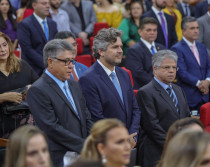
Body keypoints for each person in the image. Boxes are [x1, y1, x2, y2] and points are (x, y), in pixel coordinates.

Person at [27, 39, 93, 167]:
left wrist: (95, 141)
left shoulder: (74, 85)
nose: (71, 66)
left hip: (83, 153)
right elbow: (51, 128)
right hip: (59, 156)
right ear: (51, 62)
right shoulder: (38, 90)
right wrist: (84, 146)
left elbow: (86, 117)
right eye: (66, 61)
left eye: (72, 61)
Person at [79, 28, 140, 148]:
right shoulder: (88, 79)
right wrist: (121, 139)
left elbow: (135, 109)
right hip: (108, 144)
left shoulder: (124, 74)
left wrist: (132, 136)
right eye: (115, 47)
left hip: (130, 142)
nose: (120, 51)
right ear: (101, 51)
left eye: (121, 46)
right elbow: (96, 118)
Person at [136, 50, 190, 167]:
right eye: (166, 67)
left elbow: (186, 117)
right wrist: (172, 145)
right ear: (155, 69)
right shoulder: (145, 92)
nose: (171, 71)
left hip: (179, 149)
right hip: (156, 151)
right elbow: (152, 126)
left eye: (174, 67)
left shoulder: (178, 90)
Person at [0, 32, 38, 138]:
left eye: (4, 45)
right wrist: (3, 97)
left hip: (28, 123)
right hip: (3, 126)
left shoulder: (22, 65)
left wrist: (31, 89)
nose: (3, 50)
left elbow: (39, 86)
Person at [171, 16, 210, 112]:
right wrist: (200, 84)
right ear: (183, 31)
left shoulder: (202, 47)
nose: (196, 31)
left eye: (197, 28)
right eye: (192, 28)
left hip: (206, 96)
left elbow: (208, 66)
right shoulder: (177, 48)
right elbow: (182, 72)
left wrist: (207, 81)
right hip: (190, 96)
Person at [17, 0, 58, 76]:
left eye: (48, 3)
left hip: (52, 68)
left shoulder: (53, 23)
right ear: (34, 5)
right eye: (44, 3)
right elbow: (27, 49)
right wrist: (46, 64)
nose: (48, 6)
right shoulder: (24, 24)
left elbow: (56, 45)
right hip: (33, 70)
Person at [125, 17, 165, 89]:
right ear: (140, 31)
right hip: (145, 90)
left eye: (154, 30)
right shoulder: (133, 50)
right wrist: (159, 84)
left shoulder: (162, 48)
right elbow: (138, 73)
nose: (152, 32)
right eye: (148, 30)